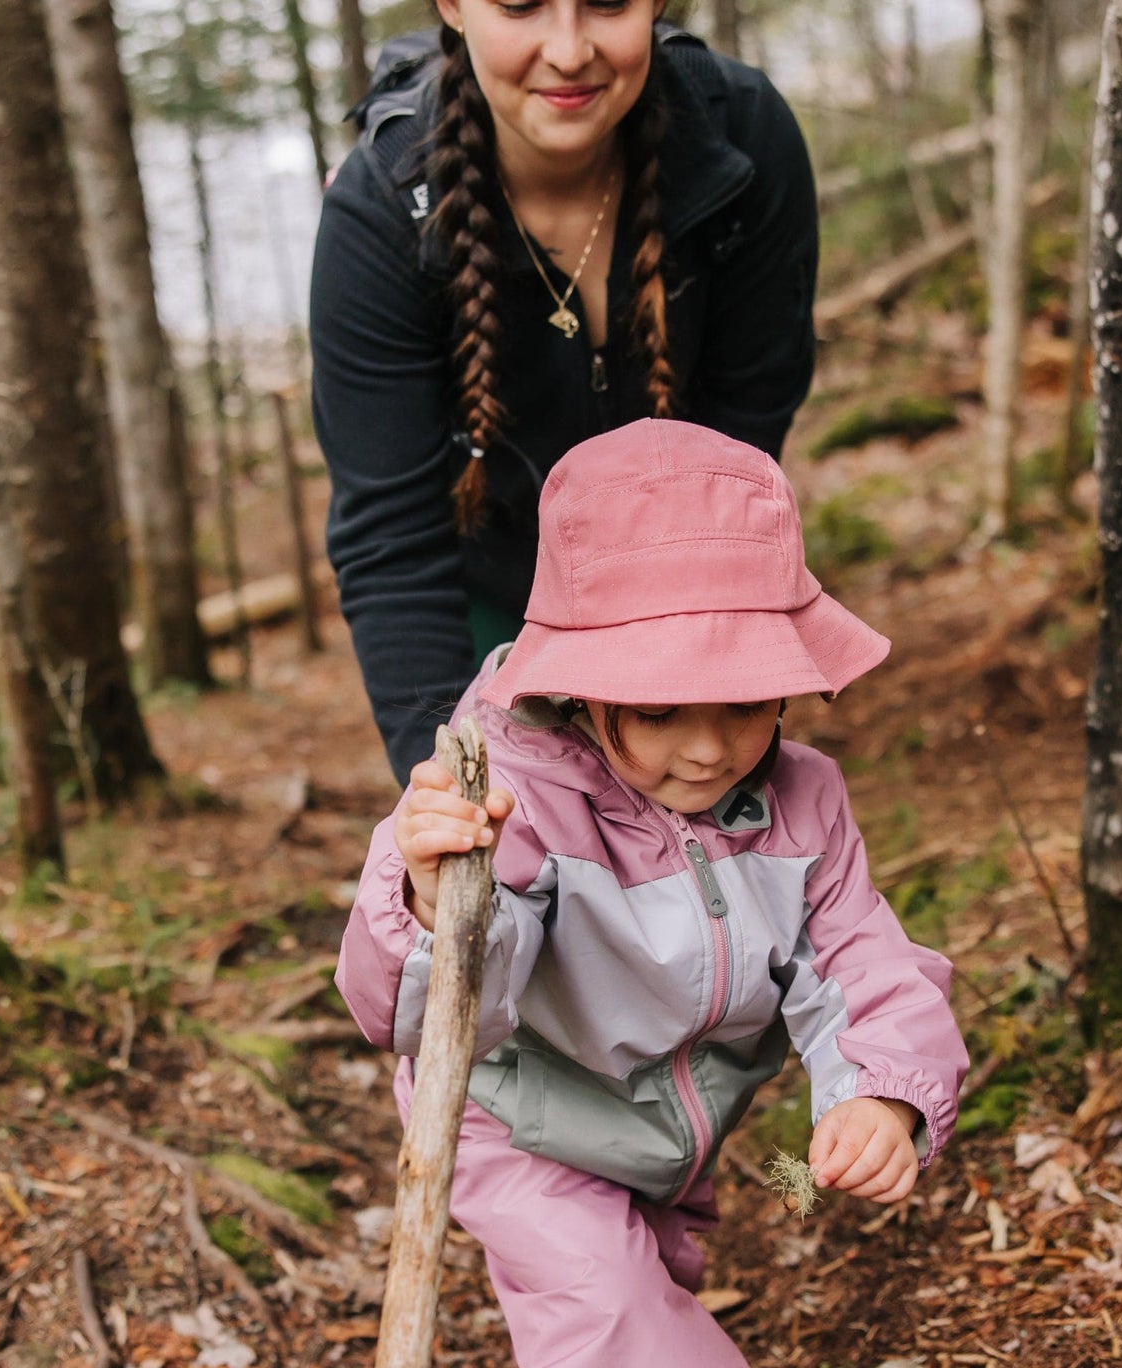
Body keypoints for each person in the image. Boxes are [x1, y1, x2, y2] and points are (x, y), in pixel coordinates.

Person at [337, 420, 969, 1368]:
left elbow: (855, 953)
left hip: (669, 1136)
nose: (709, 746)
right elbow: (431, 1009)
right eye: (662, 708)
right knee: (637, 1356)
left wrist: (883, 1087)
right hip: (523, 1123)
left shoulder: (800, 799)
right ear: (581, 686)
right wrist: (424, 891)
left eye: (745, 701)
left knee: (642, 1304)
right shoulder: (517, 797)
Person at [311, 0, 820, 784]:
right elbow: (390, 538)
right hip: (487, 585)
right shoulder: (380, 209)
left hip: (683, 575)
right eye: (519, 4)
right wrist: (451, 784)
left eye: (608, 2)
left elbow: (746, 430)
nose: (569, 48)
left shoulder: (741, 138)